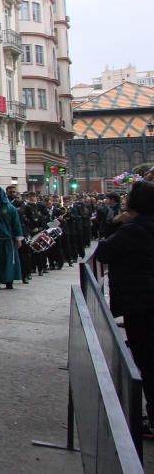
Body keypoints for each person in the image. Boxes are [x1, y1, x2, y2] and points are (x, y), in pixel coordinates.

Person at [93, 180, 154, 437]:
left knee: (147, 362)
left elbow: (104, 251)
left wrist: (117, 222)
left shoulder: (134, 230)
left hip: (141, 304)